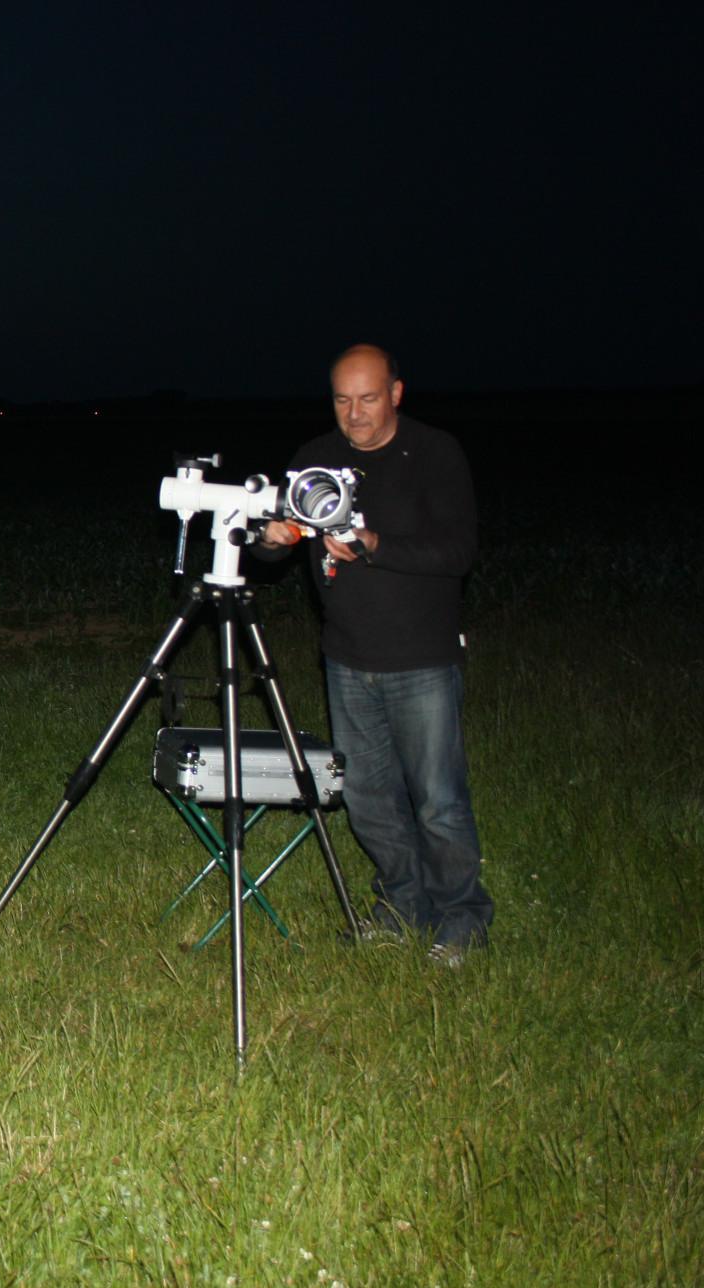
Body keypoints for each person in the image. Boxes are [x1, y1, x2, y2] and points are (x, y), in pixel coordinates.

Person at [256, 344, 493, 963]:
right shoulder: (314, 458)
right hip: (346, 658)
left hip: (422, 660)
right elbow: (274, 549)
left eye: (367, 398)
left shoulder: (434, 453)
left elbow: (457, 552)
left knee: (438, 802)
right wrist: (272, 538)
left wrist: (374, 544)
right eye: (342, 400)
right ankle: (401, 907)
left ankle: (463, 918)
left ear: (395, 393)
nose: (354, 414)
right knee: (368, 802)